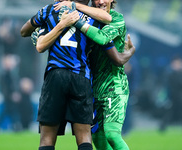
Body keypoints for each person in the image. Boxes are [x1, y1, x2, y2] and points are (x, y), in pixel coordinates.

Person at [20, 0, 114, 149]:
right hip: (81, 77)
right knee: (84, 137)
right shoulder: (94, 16)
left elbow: (24, 31)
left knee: (47, 139)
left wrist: (40, 32)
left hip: (55, 76)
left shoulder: (50, 10)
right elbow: (107, 18)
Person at [55, 0, 134, 149]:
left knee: (112, 134)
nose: (101, 1)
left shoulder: (117, 19)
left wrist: (75, 11)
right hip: (92, 87)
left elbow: (102, 38)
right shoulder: (86, 16)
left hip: (114, 85)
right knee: (98, 138)